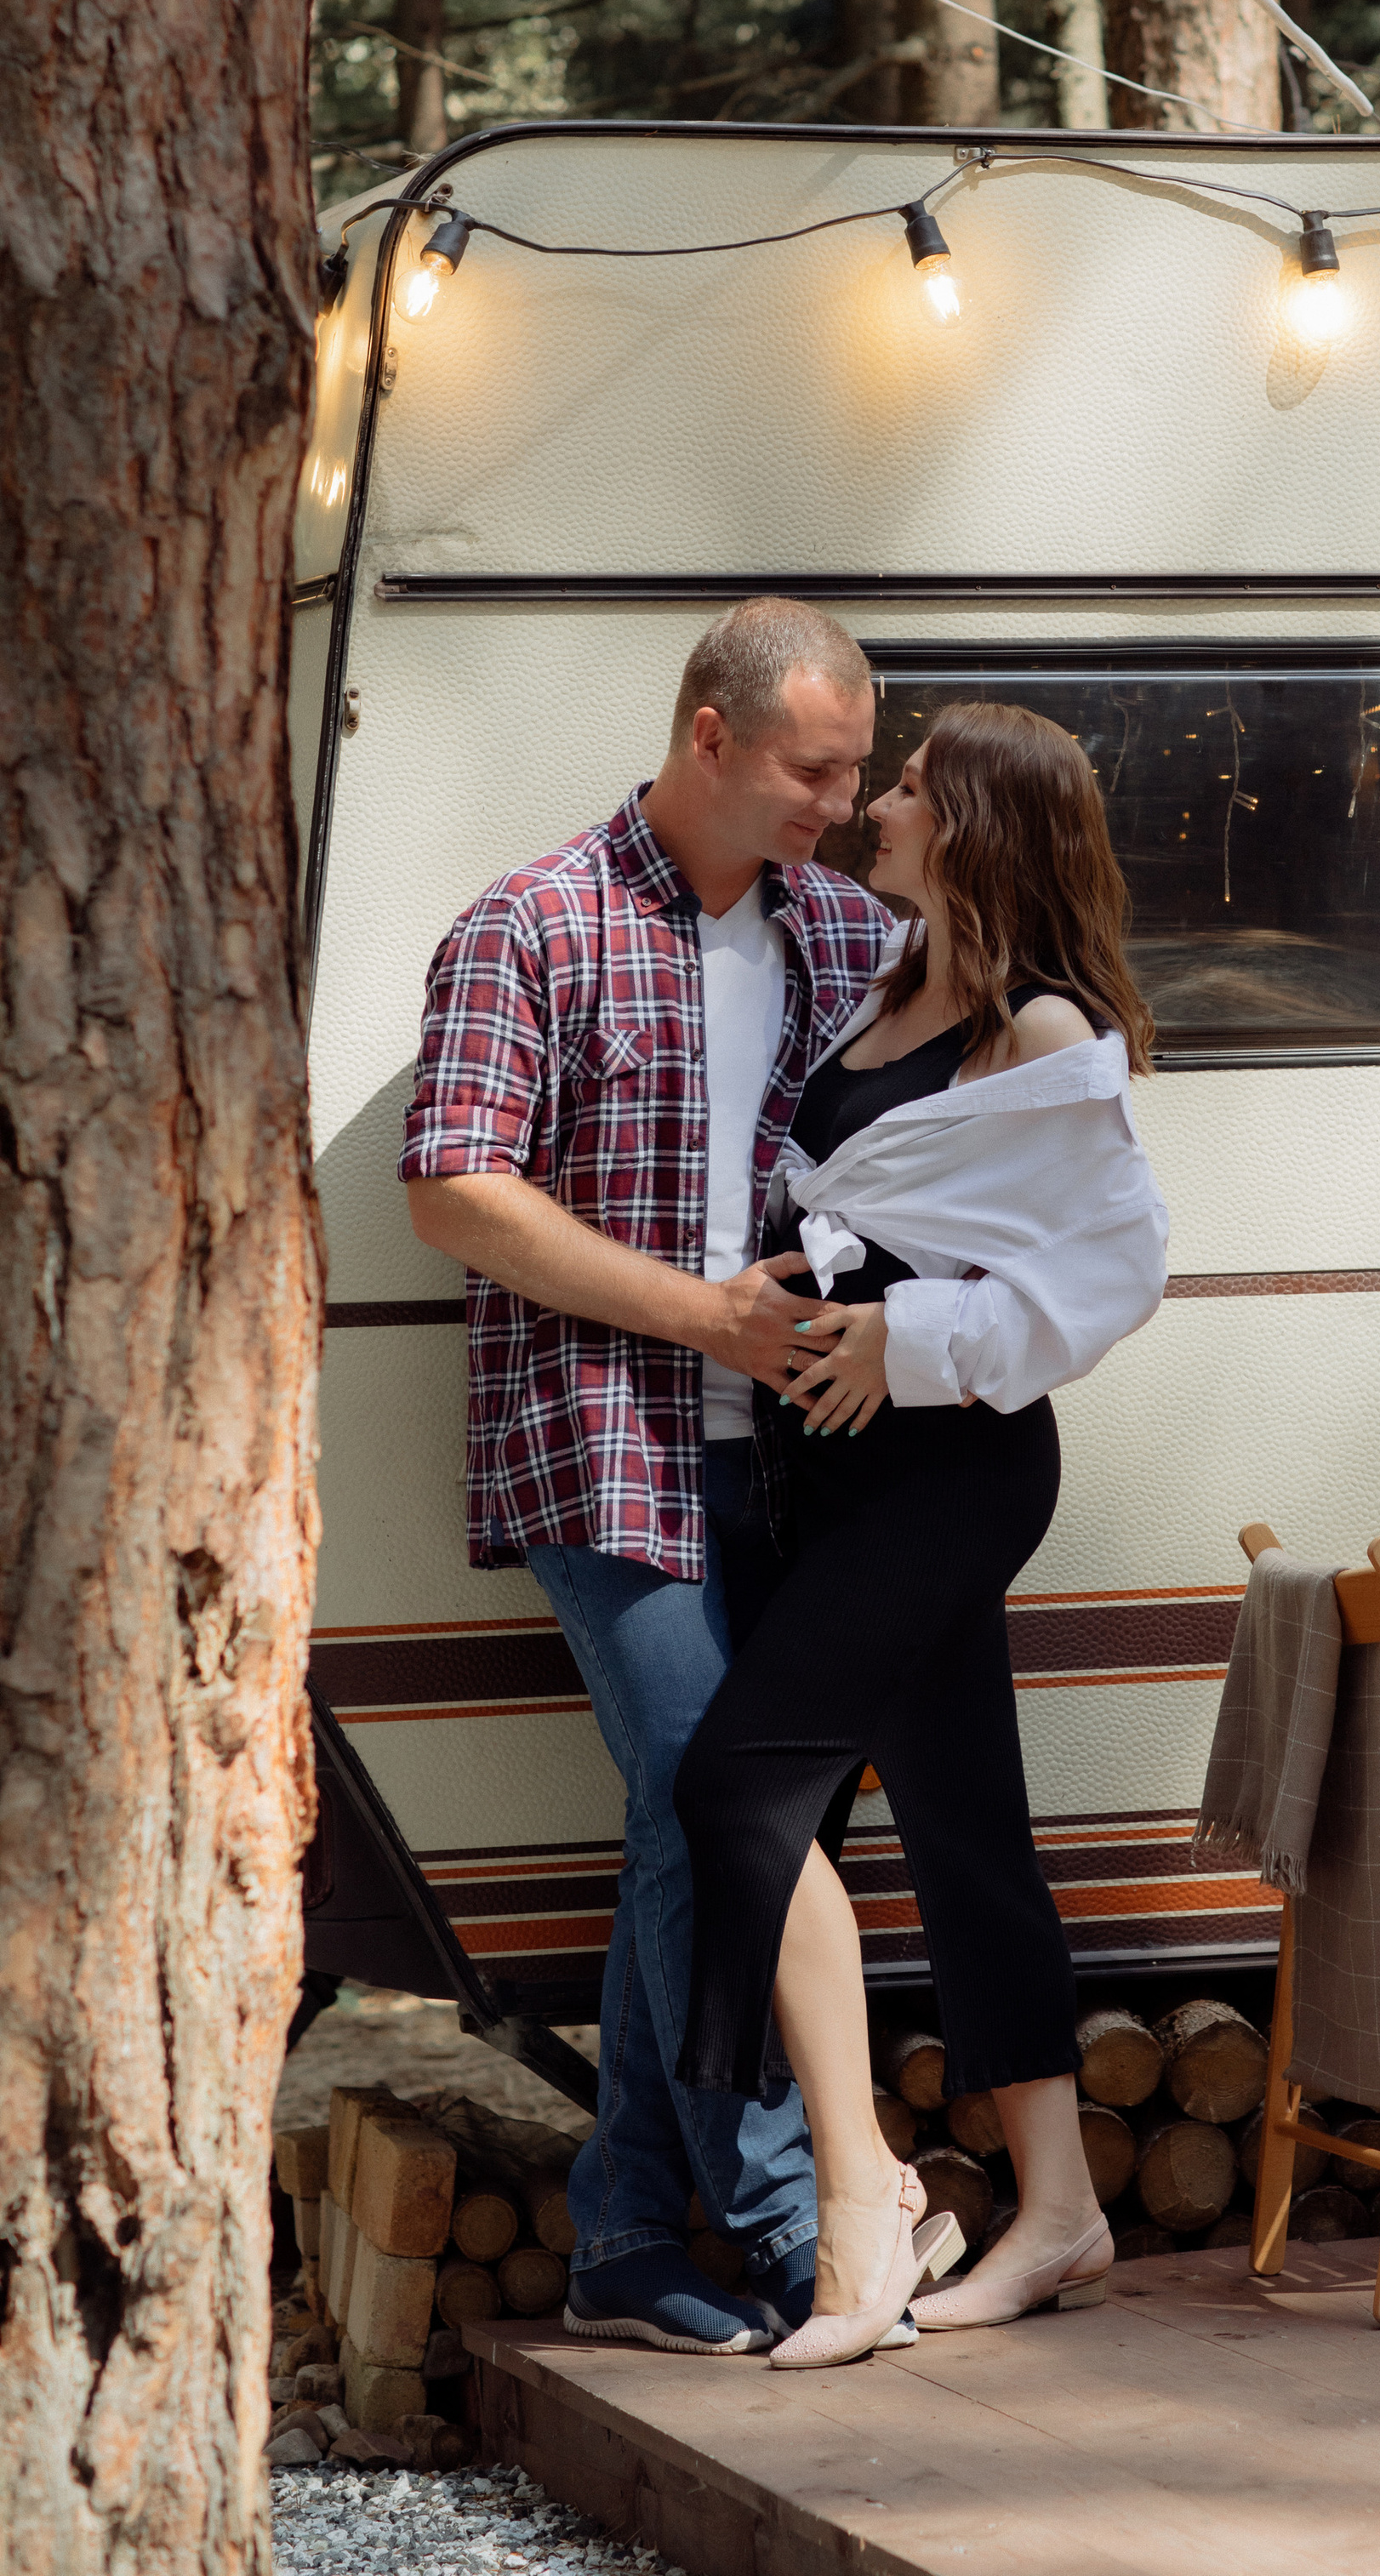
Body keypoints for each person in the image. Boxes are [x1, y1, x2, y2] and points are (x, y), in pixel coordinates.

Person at [399, 597, 893, 2353]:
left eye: (853, 773)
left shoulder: (850, 931)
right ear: (707, 733)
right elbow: (454, 1185)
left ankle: (615, 2239)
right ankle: (791, 2220)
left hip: (806, 1465)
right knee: (717, 1803)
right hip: (601, 1443)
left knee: (686, 1835)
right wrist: (701, 1318)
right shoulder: (532, 925)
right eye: (809, 769)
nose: (836, 803)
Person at [672, 698, 1171, 2369]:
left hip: (955, 1468)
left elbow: (1118, 1272)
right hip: (840, 1473)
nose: (876, 804)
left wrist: (914, 1344)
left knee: (737, 1782)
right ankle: (1057, 2209)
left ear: (971, 821)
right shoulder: (894, 984)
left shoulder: (1038, 1031)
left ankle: (863, 2196)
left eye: (901, 787)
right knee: (964, 1829)